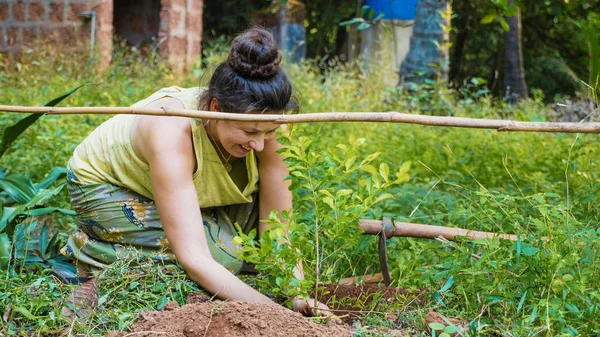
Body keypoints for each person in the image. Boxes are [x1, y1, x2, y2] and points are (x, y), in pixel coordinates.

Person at [61, 27, 329, 317]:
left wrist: (297, 295)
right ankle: (91, 252)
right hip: (106, 186)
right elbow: (195, 258)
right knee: (226, 257)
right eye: (249, 131)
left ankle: (201, 231)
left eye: (269, 131)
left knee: (255, 252)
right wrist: (274, 313)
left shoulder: (268, 124)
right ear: (215, 109)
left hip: (186, 190)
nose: (259, 143)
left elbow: (279, 230)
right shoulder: (172, 129)